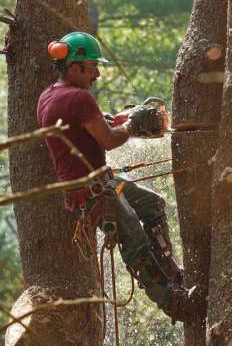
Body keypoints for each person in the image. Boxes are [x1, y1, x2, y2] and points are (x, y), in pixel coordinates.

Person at [37, 31, 200, 323]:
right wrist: (132, 126)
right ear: (75, 67)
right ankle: (173, 301)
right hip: (93, 190)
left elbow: (86, 127)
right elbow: (110, 141)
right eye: (92, 67)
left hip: (99, 182)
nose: (97, 74)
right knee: (134, 239)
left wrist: (119, 119)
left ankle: (171, 272)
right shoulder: (79, 98)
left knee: (152, 204)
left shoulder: (49, 96)